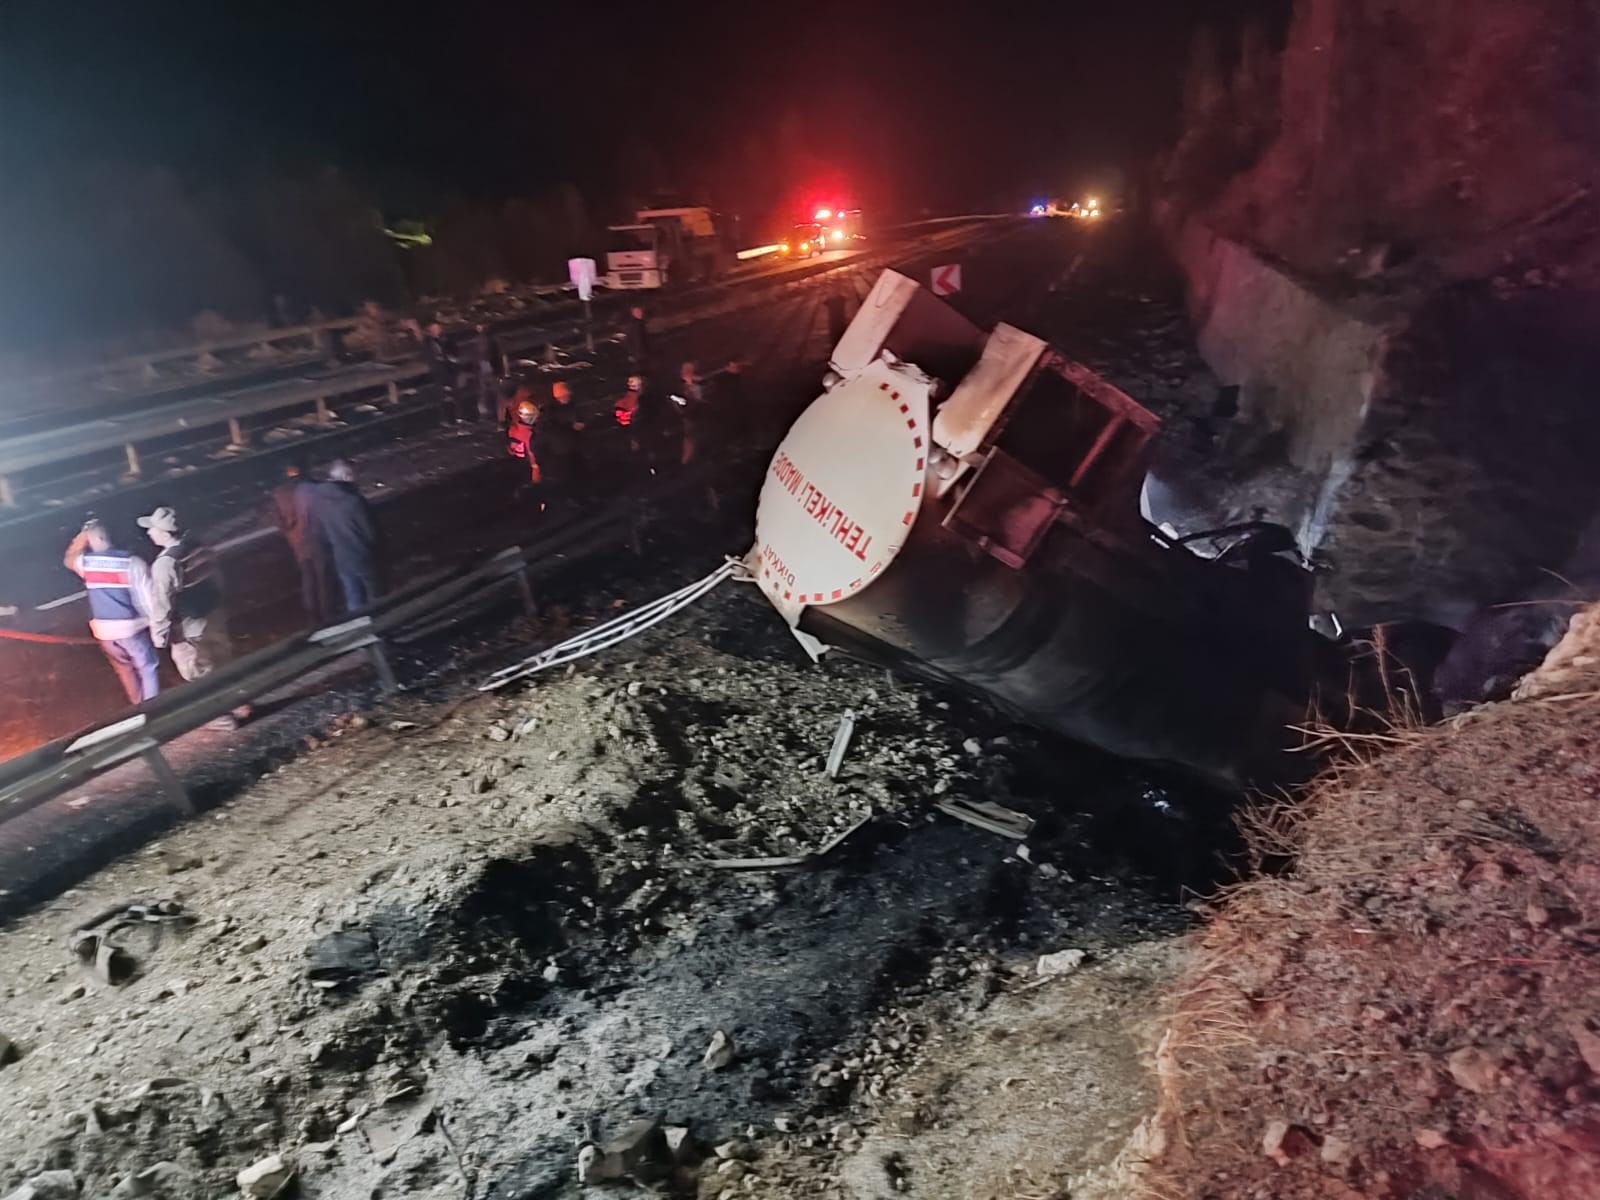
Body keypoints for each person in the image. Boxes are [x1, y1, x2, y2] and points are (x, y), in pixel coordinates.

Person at [139, 506, 252, 729]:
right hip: (214, 614)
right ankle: (240, 703)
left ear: (164, 533)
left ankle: (221, 717)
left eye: (152, 529)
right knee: (223, 662)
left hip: (190, 627)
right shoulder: (200, 547)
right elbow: (217, 577)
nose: (149, 533)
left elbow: (162, 604)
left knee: (197, 672)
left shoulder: (165, 564)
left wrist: (160, 637)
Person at [62, 518, 160, 706]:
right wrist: (156, 624)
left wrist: (81, 537)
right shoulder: (132, 563)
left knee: (125, 670)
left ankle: (137, 708)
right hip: (132, 629)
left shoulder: (87, 564)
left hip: (104, 633)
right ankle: (153, 709)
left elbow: (68, 559)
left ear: (93, 538)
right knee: (148, 668)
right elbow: (148, 598)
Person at [303, 460, 382, 614]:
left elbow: (320, 530)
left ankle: (361, 628)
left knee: (353, 597)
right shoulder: (354, 501)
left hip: (341, 556)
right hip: (363, 554)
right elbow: (370, 532)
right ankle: (382, 625)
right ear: (346, 476)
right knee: (376, 595)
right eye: (353, 475)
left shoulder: (319, 501)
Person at [270, 458, 335, 626]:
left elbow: (278, 521)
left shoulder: (279, 493)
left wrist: (291, 533)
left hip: (298, 540)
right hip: (316, 537)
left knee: (307, 576)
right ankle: (329, 616)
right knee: (323, 577)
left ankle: (313, 618)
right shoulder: (311, 488)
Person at [531, 380, 586, 517]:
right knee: (564, 478)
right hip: (558, 452)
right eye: (562, 396)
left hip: (571, 448)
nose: (564, 398)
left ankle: (576, 499)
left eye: (566, 395)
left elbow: (581, 419)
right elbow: (542, 437)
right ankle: (566, 502)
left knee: (575, 475)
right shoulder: (550, 413)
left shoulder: (572, 406)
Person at [421, 320, 461, 420]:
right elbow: (435, 356)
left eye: (438, 328)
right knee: (444, 396)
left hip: (449, 370)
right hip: (440, 372)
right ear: (430, 330)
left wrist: (453, 358)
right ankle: (447, 418)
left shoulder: (445, 339)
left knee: (454, 394)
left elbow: (453, 350)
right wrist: (447, 358)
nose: (437, 330)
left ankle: (457, 417)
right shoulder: (429, 342)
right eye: (434, 328)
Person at [466, 323, 505, 421]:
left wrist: (486, 371)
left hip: (488, 371)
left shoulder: (484, 339)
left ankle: (491, 415)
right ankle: (494, 415)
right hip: (490, 370)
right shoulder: (490, 338)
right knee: (493, 393)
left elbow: (484, 357)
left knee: (489, 392)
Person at [626, 305, 651, 370]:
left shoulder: (640, 323)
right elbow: (635, 340)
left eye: (640, 311)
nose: (639, 313)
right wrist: (633, 354)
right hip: (639, 354)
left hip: (641, 354)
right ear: (633, 314)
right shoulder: (636, 324)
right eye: (636, 312)